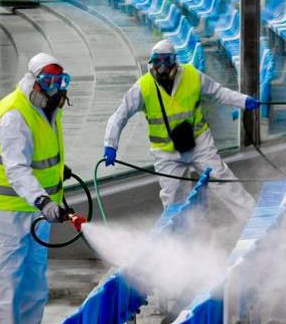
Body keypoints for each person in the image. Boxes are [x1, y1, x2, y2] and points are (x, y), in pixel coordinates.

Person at [0, 53, 72, 324]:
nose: (54, 89)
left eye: (59, 82)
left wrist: (57, 177)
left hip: (36, 215)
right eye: (48, 82)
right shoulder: (14, 115)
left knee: (33, 292)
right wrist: (44, 200)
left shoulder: (48, 110)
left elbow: (41, 156)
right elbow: (17, 169)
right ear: (33, 81)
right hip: (5, 217)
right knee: (3, 298)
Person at [103, 40, 259, 217]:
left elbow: (218, 92)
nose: (162, 67)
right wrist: (110, 145)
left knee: (222, 180)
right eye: (157, 61)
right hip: (166, 153)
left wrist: (243, 101)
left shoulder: (191, 75)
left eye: (167, 61)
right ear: (152, 63)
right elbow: (119, 116)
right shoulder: (143, 87)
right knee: (173, 199)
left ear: (174, 61)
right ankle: (179, 232)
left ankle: (252, 216)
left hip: (199, 144)